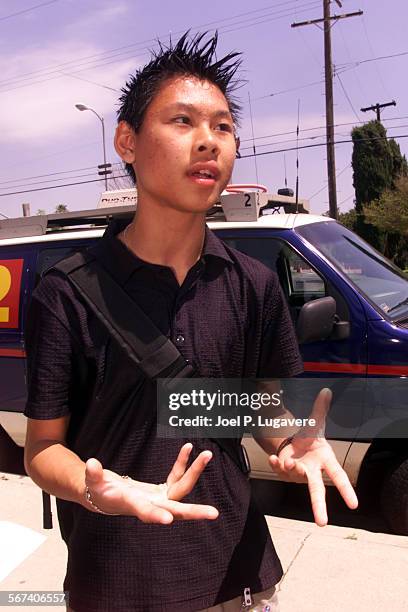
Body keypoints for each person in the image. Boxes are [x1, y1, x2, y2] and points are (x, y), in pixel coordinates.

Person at [24, 32, 358, 612]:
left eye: (224, 127)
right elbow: (42, 449)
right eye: (182, 121)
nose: (209, 141)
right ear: (126, 141)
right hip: (117, 587)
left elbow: (250, 406)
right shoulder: (67, 293)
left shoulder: (253, 283)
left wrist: (292, 439)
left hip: (241, 581)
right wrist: (97, 489)